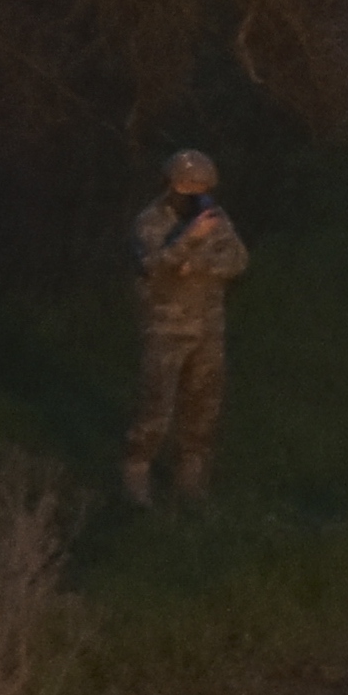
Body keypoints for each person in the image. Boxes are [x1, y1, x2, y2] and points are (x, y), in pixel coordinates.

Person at [123, 146, 249, 506]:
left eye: (200, 185)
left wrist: (197, 267)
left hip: (208, 327)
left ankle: (191, 484)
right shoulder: (150, 222)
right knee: (155, 407)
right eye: (186, 184)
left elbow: (237, 260)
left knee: (203, 407)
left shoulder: (215, 217)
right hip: (165, 328)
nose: (193, 191)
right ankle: (136, 475)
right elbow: (153, 266)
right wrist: (188, 241)